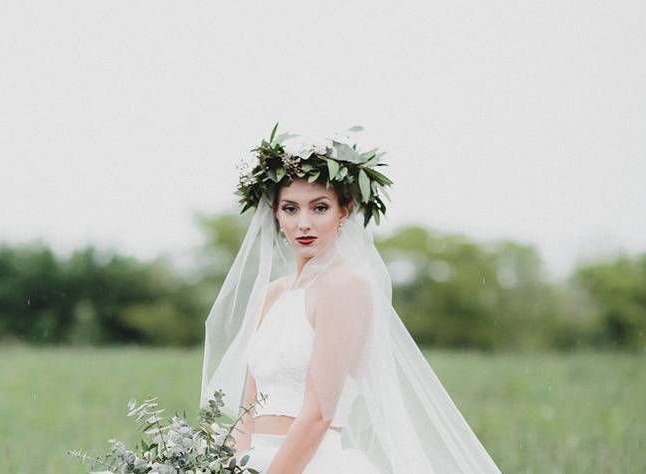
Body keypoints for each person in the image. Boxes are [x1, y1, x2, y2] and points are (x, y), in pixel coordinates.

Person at [200, 124, 503, 473]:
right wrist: (238, 464)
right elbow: (247, 409)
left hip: (310, 463)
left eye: (319, 207)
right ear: (275, 214)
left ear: (343, 212)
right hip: (256, 461)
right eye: (290, 209)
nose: (303, 223)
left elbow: (318, 414)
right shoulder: (272, 295)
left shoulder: (344, 287)